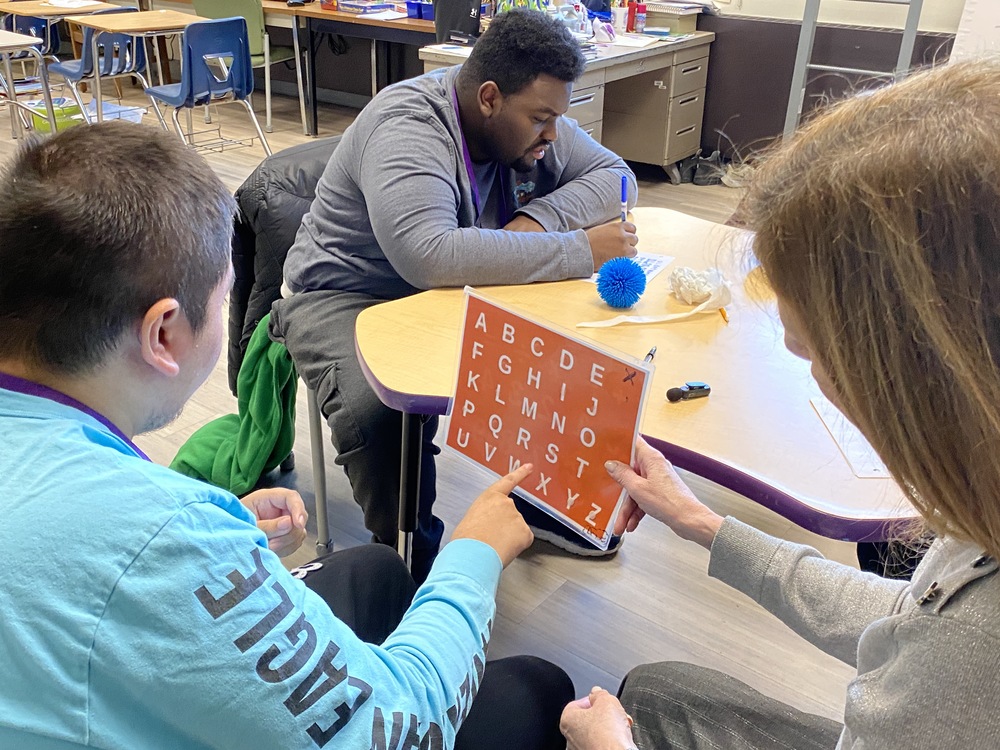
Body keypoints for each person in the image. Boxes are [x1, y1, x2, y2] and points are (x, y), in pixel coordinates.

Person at [0, 122, 575, 749]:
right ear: (163, 333)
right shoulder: (163, 536)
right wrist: (476, 554)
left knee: (377, 572)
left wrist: (221, 535)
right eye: (225, 298)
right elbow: (402, 727)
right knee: (537, 688)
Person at [559, 60, 1000, 749]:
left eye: (814, 347)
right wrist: (700, 521)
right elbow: (910, 623)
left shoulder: (968, 656)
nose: (807, 368)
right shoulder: (980, 530)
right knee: (657, 689)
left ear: (922, 374)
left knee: (626, 712)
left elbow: (936, 647)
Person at [271, 9, 640, 580]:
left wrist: (536, 225)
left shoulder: (530, 124)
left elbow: (618, 178)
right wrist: (577, 249)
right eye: (541, 119)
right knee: (381, 408)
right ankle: (409, 561)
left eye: (557, 120)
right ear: (489, 97)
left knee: (557, 344)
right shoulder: (410, 125)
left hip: (447, 288)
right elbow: (430, 256)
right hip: (347, 293)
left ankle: (539, 503)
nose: (553, 135)